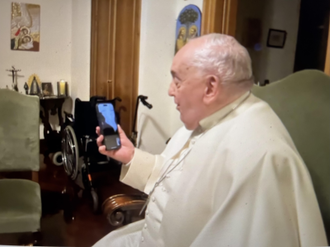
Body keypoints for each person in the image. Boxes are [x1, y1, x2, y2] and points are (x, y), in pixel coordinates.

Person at [94, 33, 327, 247]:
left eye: (177, 80)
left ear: (211, 87)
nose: (170, 91)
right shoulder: (210, 117)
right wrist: (132, 157)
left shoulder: (260, 156)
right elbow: (175, 181)